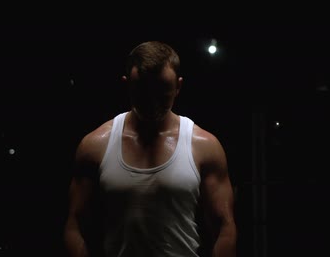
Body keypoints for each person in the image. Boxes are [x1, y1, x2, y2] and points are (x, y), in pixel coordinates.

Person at [64, 41, 237, 257]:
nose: (153, 104)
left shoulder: (204, 146)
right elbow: (75, 225)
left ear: (178, 87)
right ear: (127, 85)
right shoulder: (96, 145)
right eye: (143, 95)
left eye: (162, 95)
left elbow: (224, 227)